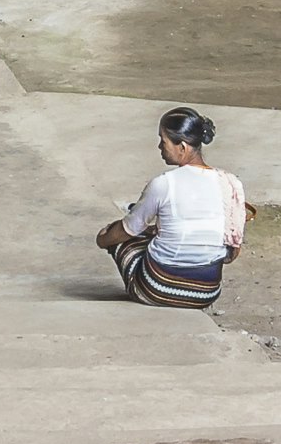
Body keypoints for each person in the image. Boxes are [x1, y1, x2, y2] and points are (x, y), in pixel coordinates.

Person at [97, 107, 247, 309]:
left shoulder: (164, 183)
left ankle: (152, 287)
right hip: (207, 291)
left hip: (158, 288)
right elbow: (231, 254)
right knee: (155, 233)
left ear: (182, 147)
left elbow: (128, 229)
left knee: (119, 236)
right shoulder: (230, 183)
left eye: (163, 141)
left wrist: (103, 238)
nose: (159, 147)